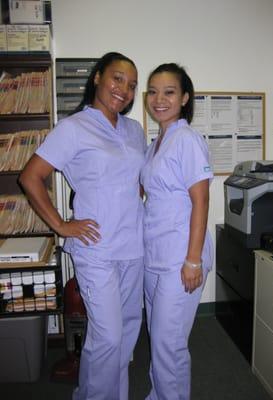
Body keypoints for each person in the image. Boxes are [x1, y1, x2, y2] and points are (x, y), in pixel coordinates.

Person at [19, 52, 146, 400]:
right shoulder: (74, 128)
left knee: (125, 334)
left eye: (132, 85)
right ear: (97, 77)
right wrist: (61, 225)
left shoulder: (134, 130)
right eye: (117, 79)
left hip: (134, 246)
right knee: (108, 337)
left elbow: (138, 182)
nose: (124, 89)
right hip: (97, 248)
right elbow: (31, 177)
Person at [140, 63, 214, 400]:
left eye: (169, 92)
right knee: (161, 341)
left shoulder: (186, 138)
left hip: (182, 257)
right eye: (153, 91)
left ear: (184, 98)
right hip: (155, 255)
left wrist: (193, 261)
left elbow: (201, 200)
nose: (159, 99)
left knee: (168, 345)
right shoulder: (157, 141)